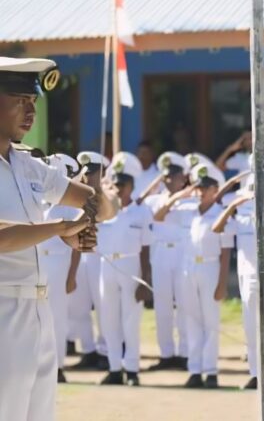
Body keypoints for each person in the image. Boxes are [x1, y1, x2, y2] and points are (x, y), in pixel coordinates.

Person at [0, 57, 114, 421]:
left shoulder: (28, 165)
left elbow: (100, 205)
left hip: (37, 310)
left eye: (33, 101)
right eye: (19, 100)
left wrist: (88, 215)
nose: (30, 111)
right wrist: (59, 229)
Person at [214, 170, 264, 390]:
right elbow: (217, 228)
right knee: (251, 325)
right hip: (248, 274)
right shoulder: (241, 215)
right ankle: (256, 373)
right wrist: (232, 206)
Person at [164, 161, 231, 389]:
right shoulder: (187, 212)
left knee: (210, 321)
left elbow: (226, 251)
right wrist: (183, 193)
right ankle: (195, 370)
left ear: (215, 190)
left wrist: (222, 283)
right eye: (198, 187)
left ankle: (210, 371)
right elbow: (159, 214)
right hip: (188, 268)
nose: (201, 192)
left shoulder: (221, 214)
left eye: (206, 188)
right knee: (191, 320)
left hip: (210, 268)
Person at [98, 152, 154, 386]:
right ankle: (114, 368)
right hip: (107, 265)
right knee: (109, 319)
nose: (119, 189)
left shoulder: (141, 212)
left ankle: (131, 369)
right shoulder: (104, 211)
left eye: (123, 184)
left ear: (131, 185)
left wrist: (145, 280)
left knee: (130, 320)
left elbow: (146, 249)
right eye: (116, 184)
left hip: (131, 265)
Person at [144, 151, 193, 371]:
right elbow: (155, 214)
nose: (170, 181)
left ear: (183, 178)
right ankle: (166, 354)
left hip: (182, 255)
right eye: (166, 177)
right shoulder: (156, 200)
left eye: (175, 177)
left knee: (183, 305)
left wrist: (181, 195)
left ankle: (184, 353)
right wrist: (172, 196)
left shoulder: (192, 200)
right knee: (162, 306)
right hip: (161, 255)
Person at [39, 154, 83, 383]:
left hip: (58, 262)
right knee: (36, 316)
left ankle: (58, 366)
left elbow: (77, 245)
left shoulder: (68, 207)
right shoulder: (38, 199)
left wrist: (72, 274)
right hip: (37, 262)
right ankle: (40, 365)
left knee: (57, 316)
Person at [69, 151, 111, 370]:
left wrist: (100, 192)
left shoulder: (108, 194)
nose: (87, 177)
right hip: (81, 254)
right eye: (85, 173)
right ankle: (88, 350)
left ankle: (106, 351)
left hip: (102, 257)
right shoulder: (78, 194)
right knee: (79, 306)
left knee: (103, 306)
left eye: (92, 173)